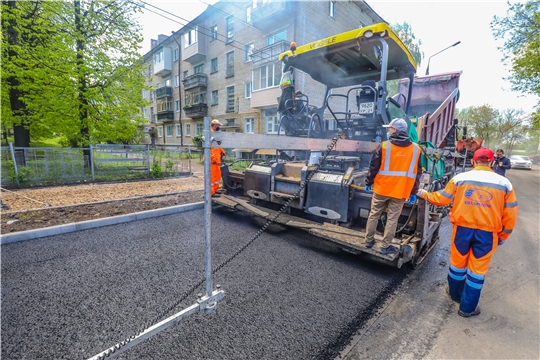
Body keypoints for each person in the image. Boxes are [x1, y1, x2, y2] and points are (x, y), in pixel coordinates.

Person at [417, 148, 518, 317]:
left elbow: (442, 198)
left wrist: (424, 194)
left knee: (457, 265)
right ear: (492, 163)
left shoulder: (460, 178)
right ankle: (467, 308)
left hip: (462, 231)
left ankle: (455, 295)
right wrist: (503, 236)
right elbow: (511, 214)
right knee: (476, 271)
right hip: (487, 234)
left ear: (473, 162)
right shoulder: (504, 184)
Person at [364, 118, 422, 255]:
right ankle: (385, 246)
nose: (388, 131)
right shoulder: (416, 149)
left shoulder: (384, 146)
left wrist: (368, 182)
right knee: (392, 219)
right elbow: (417, 173)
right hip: (400, 191)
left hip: (381, 189)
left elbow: (373, 166)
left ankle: (368, 240)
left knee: (374, 214)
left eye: (389, 128)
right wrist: (414, 192)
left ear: (395, 129)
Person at [210, 119, 226, 197]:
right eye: (218, 126)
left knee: (217, 175)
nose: (219, 127)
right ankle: (211, 192)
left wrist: (222, 151)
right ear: (215, 125)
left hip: (216, 160)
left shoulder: (215, 135)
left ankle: (215, 190)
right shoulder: (210, 134)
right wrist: (213, 159)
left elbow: (217, 146)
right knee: (212, 177)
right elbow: (210, 148)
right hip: (212, 161)